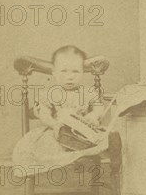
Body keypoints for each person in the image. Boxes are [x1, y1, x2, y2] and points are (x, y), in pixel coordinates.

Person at [12, 45, 105, 173]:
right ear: (54, 73)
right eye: (64, 71)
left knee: (96, 135)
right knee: (53, 137)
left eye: (75, 71)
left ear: (83, 73)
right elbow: (43, 112)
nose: (70, 76)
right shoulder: (50, 93)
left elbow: (98, 106)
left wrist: (93, 116)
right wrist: (54, 123)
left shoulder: (88, 92)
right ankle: (75, 150)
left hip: (82, 131)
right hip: (59, 131)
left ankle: (89, 147)